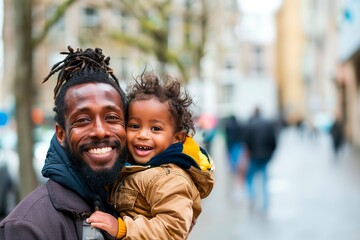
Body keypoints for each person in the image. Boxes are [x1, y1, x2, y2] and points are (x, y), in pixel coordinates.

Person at [0, 46, 128, 239]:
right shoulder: (26, 228)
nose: (100, 131)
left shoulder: (139, 211)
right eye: (83, 120)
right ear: (61, 133)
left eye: (111, 117)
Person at [86, 72, 215, 239]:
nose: (143, 135)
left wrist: (121, 228)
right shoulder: (133, 167)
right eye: (134, 126)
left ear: (177, 138)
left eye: (155, 128)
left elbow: (171, 231)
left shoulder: (170, 178)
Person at [244, 106, 277, 211]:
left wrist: (249, 153)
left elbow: (247, 142)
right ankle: (265, 204)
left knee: (250, 177)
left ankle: (251, 195)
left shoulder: (250, 125)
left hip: (254, 156)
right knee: (264, 180)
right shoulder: (267, 124)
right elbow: (273, 141)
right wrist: (270, 154)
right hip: (265, 157)